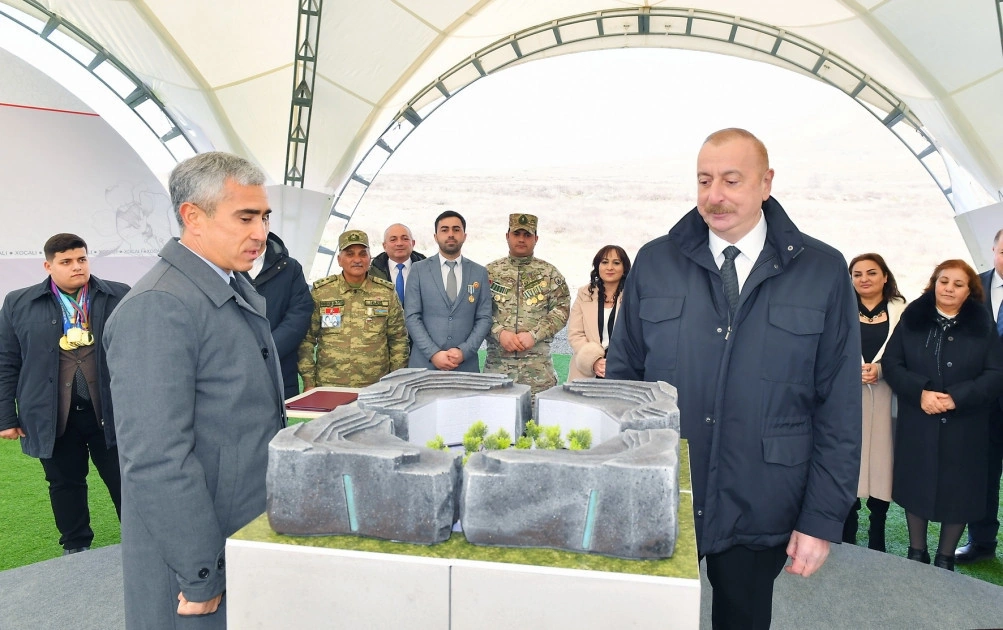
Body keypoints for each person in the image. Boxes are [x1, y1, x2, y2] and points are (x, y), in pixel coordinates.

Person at [606, 128, 860, 629]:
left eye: (731, 180)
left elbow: (839, 407)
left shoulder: (822, 271)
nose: (714, 196)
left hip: (763, 497)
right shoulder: (655, 262)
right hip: (665, 492)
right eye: (704, 181)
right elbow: (622, 385)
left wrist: (820, 518)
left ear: (766, 183)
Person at [104, 152, 286, 627]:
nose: (261, 233)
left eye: (264, 217)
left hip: (240, 534)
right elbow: (156, 458)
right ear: (194, 217)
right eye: (245, 217)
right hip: (196, 559)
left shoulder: (230, 285)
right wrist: (202, 572)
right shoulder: (159, 306)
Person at [0, 233, 129, 555]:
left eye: (81, 259)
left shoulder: (119, 295)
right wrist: (6, 417)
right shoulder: (18, 303)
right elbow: (6, 361)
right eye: (66, 262)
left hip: (112, 412)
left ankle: (140, 540)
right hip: (51, 414)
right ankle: (75, 546)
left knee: (126, 480)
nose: (77, 267)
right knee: (64, 483)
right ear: (48, 266)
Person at [883, 259, 1003, 571]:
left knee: (961, 489)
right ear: (934, 284)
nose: (949, 288)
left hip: (967, 424)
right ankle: (916, 552)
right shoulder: (913, 317)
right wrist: (920, 392)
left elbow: (995, 374)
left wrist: (956, 398)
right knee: (915, 482)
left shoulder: (983, 325)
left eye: (958, 284)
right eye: (943, 281)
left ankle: (945, 558)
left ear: (969, 291)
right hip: (918, 419)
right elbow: (893, 363)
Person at [841, 253, 907, 552]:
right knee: (849, 457)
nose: (864, 279)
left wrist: (880, 370)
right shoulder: (840, 307)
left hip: (886, 395)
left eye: (871, 272)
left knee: (883, 461)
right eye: (857, 274)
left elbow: (909, 353)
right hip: (847, 395)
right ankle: (847, 525)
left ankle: (877, 527)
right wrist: (849, 370)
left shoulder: (902, 310)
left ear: (885, 276)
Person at [298, 229, 409, 388]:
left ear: (370, 258)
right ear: (339, 260)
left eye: (363, 254)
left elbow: (398, 340)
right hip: (330, 385)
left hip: (375, 386)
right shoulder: (322, 293)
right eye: (350, 254)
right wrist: (309, 381)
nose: (357, 260)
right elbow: (306, 340)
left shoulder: (386, 293)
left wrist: (394, 381)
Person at [955, 229, 1003, 564]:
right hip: (982, 402)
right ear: (993, 250)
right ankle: (982, 542)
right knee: (983, 474)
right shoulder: (972, 288)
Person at [485, 213, 570, 397]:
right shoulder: (489, 273)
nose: (522, 239)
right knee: (496, 415)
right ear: (507, 236)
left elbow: (561, 310)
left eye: (527, 235)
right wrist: (499, 332)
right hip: (497, 371)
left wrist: (534, 335)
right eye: (516, 234)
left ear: (536, 239)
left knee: (538, 416)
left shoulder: (549, 273)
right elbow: (478, 312)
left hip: (538, 373)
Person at [404, 211, 491, 372]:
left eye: (456, 229)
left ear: (464, 236)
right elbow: (412, 316)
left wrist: (464, 351)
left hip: (465, 366)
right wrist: (433, 353)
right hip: (425, 365)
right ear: (435, 236)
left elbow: (484, 318)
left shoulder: (479, 272)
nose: (451, 234)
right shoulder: (418, 270)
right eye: (444, 230)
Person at [242, 231, 314, 399]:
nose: (257, 226)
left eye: (264, 220)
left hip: (280, 371)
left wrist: (267, 351)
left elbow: (299, 316)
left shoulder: (290, 268)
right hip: (235, 371)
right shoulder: (224, 266)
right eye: (246, 220)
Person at [567, 245, 631, 381]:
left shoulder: (633, 296)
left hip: (623, 369)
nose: (610, 267)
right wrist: (594, 361)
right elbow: (575, 334)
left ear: (624, 268)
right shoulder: (584, 294)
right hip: (586, 370)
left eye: (616, 263)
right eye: (605, 262)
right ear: (598, 266)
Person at [369, 223, 426, 305]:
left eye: (405, 239)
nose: (399, 243)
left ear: (413, 243)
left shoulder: (428, 271)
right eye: (393, 240)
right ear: (384, 246)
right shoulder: (372, 273)